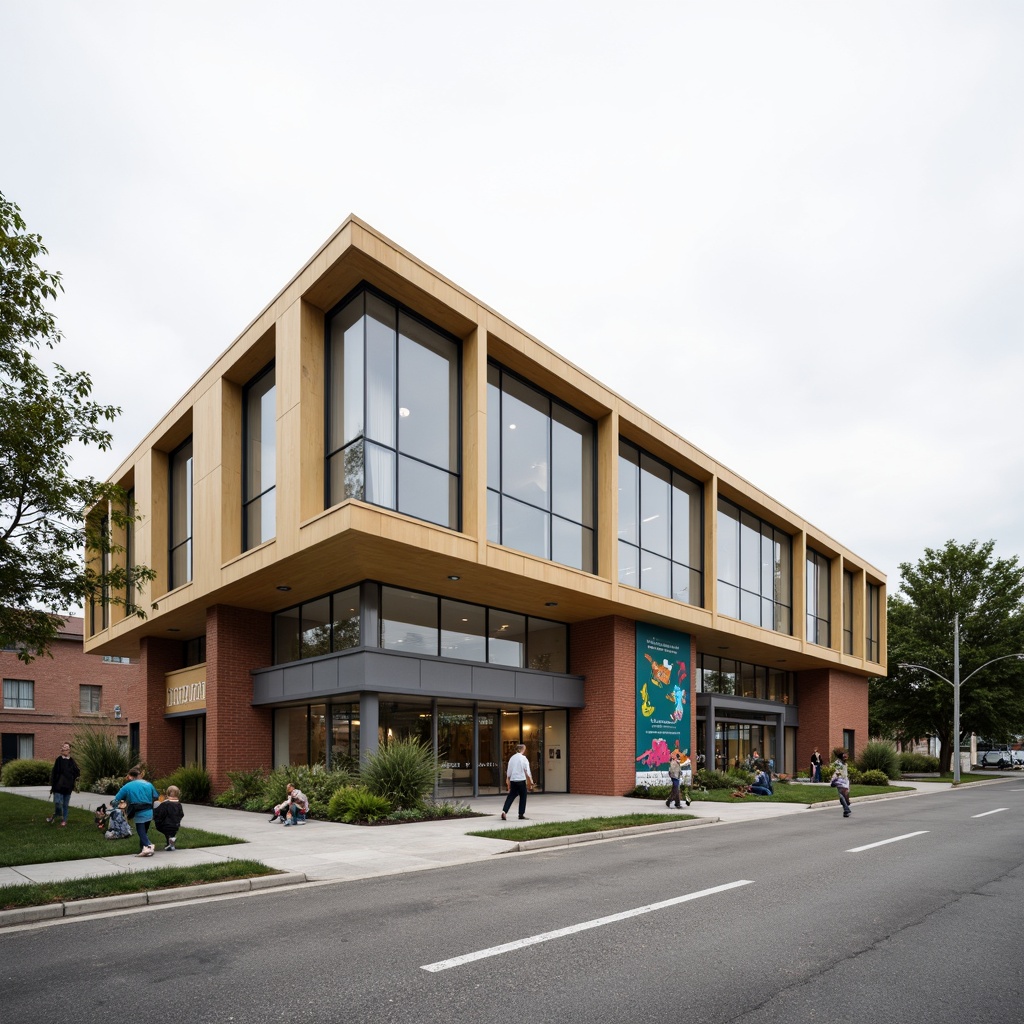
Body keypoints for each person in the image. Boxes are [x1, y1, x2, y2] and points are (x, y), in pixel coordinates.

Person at [112, 766, 160, 857]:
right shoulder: (148, 784)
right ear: (139, 775)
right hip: (149, 811)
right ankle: (144, 849)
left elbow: (116, 799)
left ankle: (148, 845)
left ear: (130, 776)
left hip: (138, 811)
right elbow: (156, 796)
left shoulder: (127, 786)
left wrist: (117, 804)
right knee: (144, 831)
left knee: (140, 830)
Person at [47, 742, 81, 827]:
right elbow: (54, 773)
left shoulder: (71, 761)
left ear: (69, 750)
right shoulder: (59, 760)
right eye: (63, 747)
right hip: (58, 787)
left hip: (68, 787)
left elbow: (77, 772)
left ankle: (64, 820)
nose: (64, 748)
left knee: (65, 805)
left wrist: (73, 779)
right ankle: (56, 814)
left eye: (66, 747)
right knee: (58, 803)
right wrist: (53, 785)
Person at [501, 743, 533, 820]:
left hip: (513, 780)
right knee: (523, 796)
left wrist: (508, 778)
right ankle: (521, 814)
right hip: (521, 779)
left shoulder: (512, 758)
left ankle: (504, 811)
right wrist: (530, 780)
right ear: (523, 750)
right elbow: (527, 770)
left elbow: (509, 770)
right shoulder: (523, 758)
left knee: (511, 796)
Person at [154, 784, 185, 850]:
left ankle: (171, 842)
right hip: (175, 824)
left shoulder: (165, 804)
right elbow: (181, 814)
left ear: (167, 793)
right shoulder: (178, 804)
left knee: (166, 831)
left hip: (166, 824)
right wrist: (178, 819)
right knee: (171, 833)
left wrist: (156, 817)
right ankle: (170, 843)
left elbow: (161, 813)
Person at [832, 751, 852, 817]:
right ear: (841, 757)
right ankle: (846, 810)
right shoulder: (838, 763)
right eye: (844, 757)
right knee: (841, 796)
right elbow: (837, 772)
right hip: (840, 781)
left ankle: (846, 808)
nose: (846, 758)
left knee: (844, 797)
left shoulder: (845, 764)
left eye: (846, 757)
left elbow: (844, 773)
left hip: (845, 781)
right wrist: (833, 780)